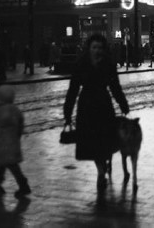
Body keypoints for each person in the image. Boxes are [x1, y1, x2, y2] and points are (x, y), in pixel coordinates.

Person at [63, 34, 130, 191]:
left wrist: (123, 104)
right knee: (93, 144)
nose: (97, 50)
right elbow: (72, 90)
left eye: (100, 47)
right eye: (94, 47)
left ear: (103, 49)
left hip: (103, 107)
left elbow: (115, 87)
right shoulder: (81, 64)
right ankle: (101, 171)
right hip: (86, 108)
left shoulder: (108, 65)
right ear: (89, 48)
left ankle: (101, 172)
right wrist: (67, 112)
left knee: (103, 142)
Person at [0, 85, 31, 199]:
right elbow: (21, 123)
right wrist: (18, 135)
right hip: (12, 141)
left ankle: (22, 184)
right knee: (9, 163)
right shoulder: (14, 109)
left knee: (7, 164)